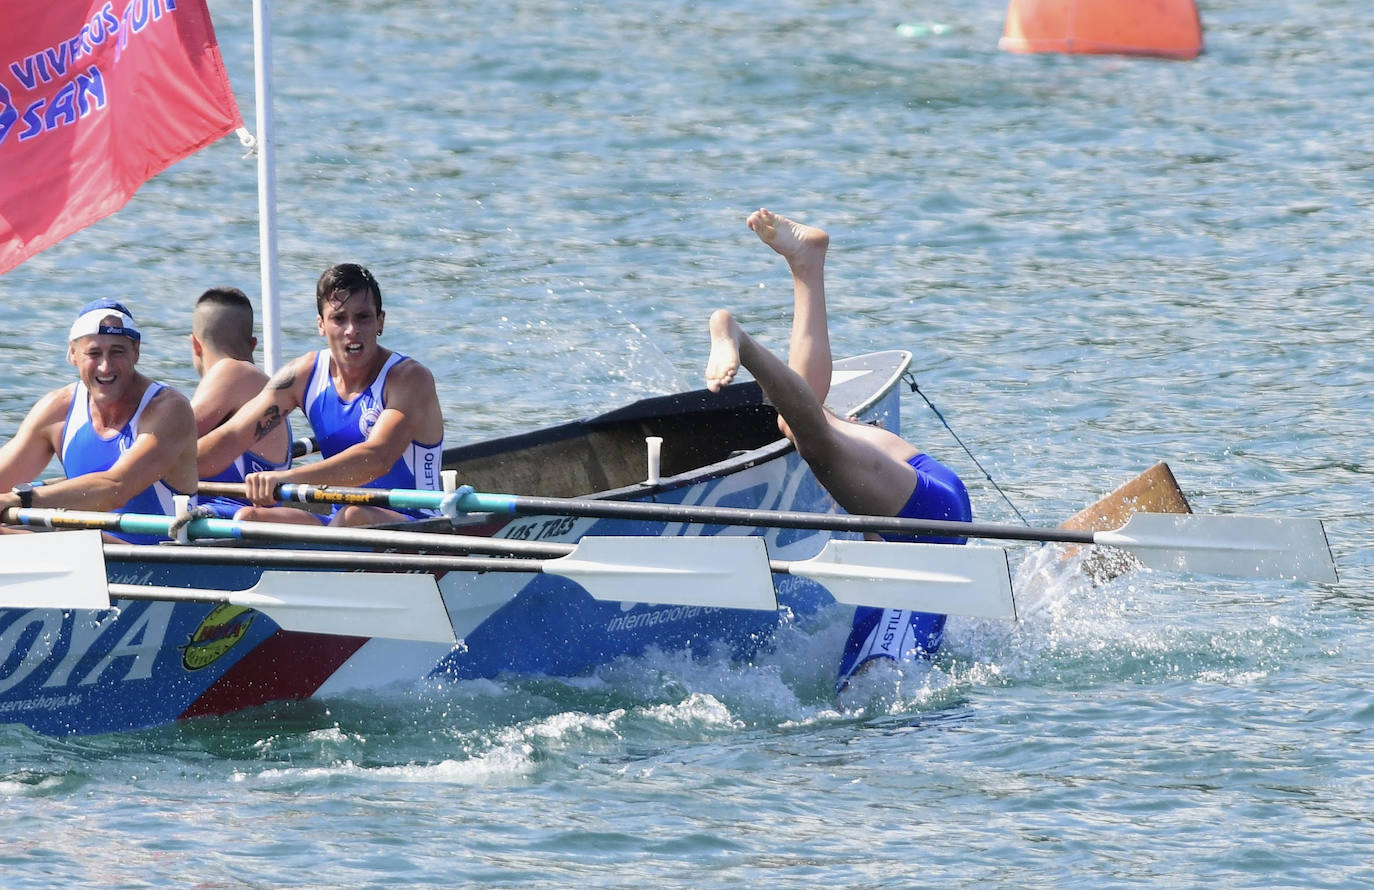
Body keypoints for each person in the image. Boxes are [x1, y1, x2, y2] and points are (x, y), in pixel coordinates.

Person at [705, 209, 972, 699]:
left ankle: (807, 266)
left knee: (803, 423)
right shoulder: (879, 682)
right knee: (815, 439)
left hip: (919, 505)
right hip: (923, 521)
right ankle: (738, 337)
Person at [197, 263, 444, 526]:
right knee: (249, 518)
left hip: (421, 521)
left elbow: (377, 458)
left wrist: (288, 478)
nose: (351, 330)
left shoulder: (410, 378)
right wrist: (172, 465)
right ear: (321, 324)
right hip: (342, 522)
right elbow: (234, 436)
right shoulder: (302, 375)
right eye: (339, 318)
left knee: (353, 516)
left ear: (380, 321)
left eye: (363, 317)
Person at [0, 298, 199, 542]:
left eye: (117, 352)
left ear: (136, 351)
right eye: (94, 353)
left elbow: (116, 487)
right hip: (86, 548)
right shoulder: (57, 409)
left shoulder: (168, 409)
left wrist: (19, 500)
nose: (105, 367)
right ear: (73, 354)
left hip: (160, 556)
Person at [189, 287, 294, 519]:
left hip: (225, 522)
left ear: (195, 344)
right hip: (249, 520)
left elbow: (167, 439)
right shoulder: (264, 387)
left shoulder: (233, 372)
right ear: (253, 344)